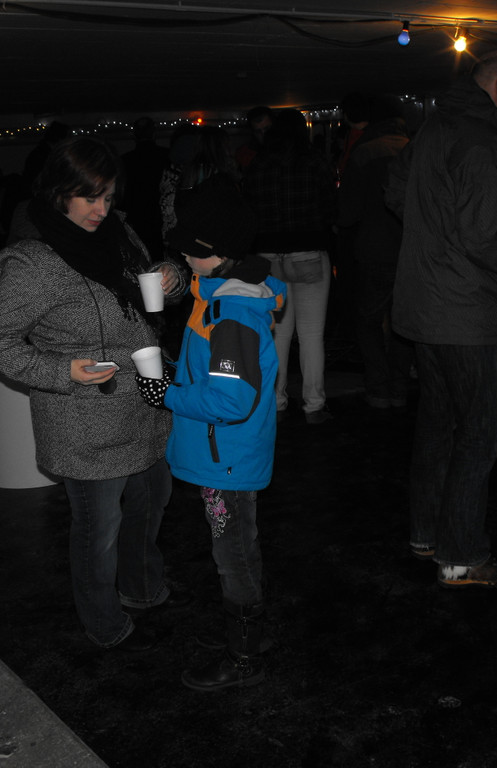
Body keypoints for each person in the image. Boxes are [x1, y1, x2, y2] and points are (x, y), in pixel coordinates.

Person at [0, 135, 188, 652]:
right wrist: (61, 370)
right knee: (100, 529)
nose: (101, 210)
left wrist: (172, 277)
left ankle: (141, 586)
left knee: (152, 501)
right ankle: (102, 620)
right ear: (59, 192)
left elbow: (151, 292)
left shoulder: (119, 233)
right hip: (86, 422)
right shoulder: (36, 263)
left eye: (108, 197)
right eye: (89, 197)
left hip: (145, 402)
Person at [387, 50, 497, 588]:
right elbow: (484, 236)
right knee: (479, 435)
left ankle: (427, 534)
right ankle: (460, 556)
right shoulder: (484, 140)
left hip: (426, 304)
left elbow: (396, 190)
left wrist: (436, 235)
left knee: (438, 426)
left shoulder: (436, 127)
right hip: (463, 311)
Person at [135, 185, 286, 691]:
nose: (182, 257)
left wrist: (166, 394)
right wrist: (177, 374)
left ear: (217, 252)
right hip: (224, 455)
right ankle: (250, 633)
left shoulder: (231, 315)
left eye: (190, 249)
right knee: (240, 545)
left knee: (233, 553)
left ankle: (243, 656)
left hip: (228, 462)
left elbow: (230, 400)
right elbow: (216, 376)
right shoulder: (217, 295)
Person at [242, 109, 337, 424]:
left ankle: (276, 402)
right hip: (308, 250)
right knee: (311, 334)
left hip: (268, 256)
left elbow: (249, 210)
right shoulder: (314, 162)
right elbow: (330, 206)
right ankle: (314, 405)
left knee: (277, 333)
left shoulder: (258, 165)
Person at [337, 94, 411, 410]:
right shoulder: (413, 148)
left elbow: (347, 213)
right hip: (411, 251)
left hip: (374, 249)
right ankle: (400, 386)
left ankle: (379, 387)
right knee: (403, 322)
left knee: (368, 321)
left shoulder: (365, 152)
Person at [121, 117, 170, 259]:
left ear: (134, 134)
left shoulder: (125, 160)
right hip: (161, 218)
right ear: (154, 133)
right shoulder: (166, 156)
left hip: (136, 219)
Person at [235, 106, 273, 171]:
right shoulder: (245, 154)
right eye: (258, 132)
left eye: (267, 129)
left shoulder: (287, 149)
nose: (263, 134)